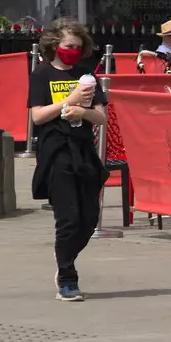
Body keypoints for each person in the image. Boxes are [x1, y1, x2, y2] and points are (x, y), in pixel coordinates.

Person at [28, 18, 108, 302]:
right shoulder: (42, 75)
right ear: (54, 46)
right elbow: (37, 116)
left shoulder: (87, 76)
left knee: (88, 219)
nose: (72, 50)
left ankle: (64, 254)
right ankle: (67, 277)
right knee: (69, 218)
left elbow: (101, 116)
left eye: (77, 46)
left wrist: (82, 112)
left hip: (83, 150)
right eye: (67, 46)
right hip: (57, 152)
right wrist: (69, 101)